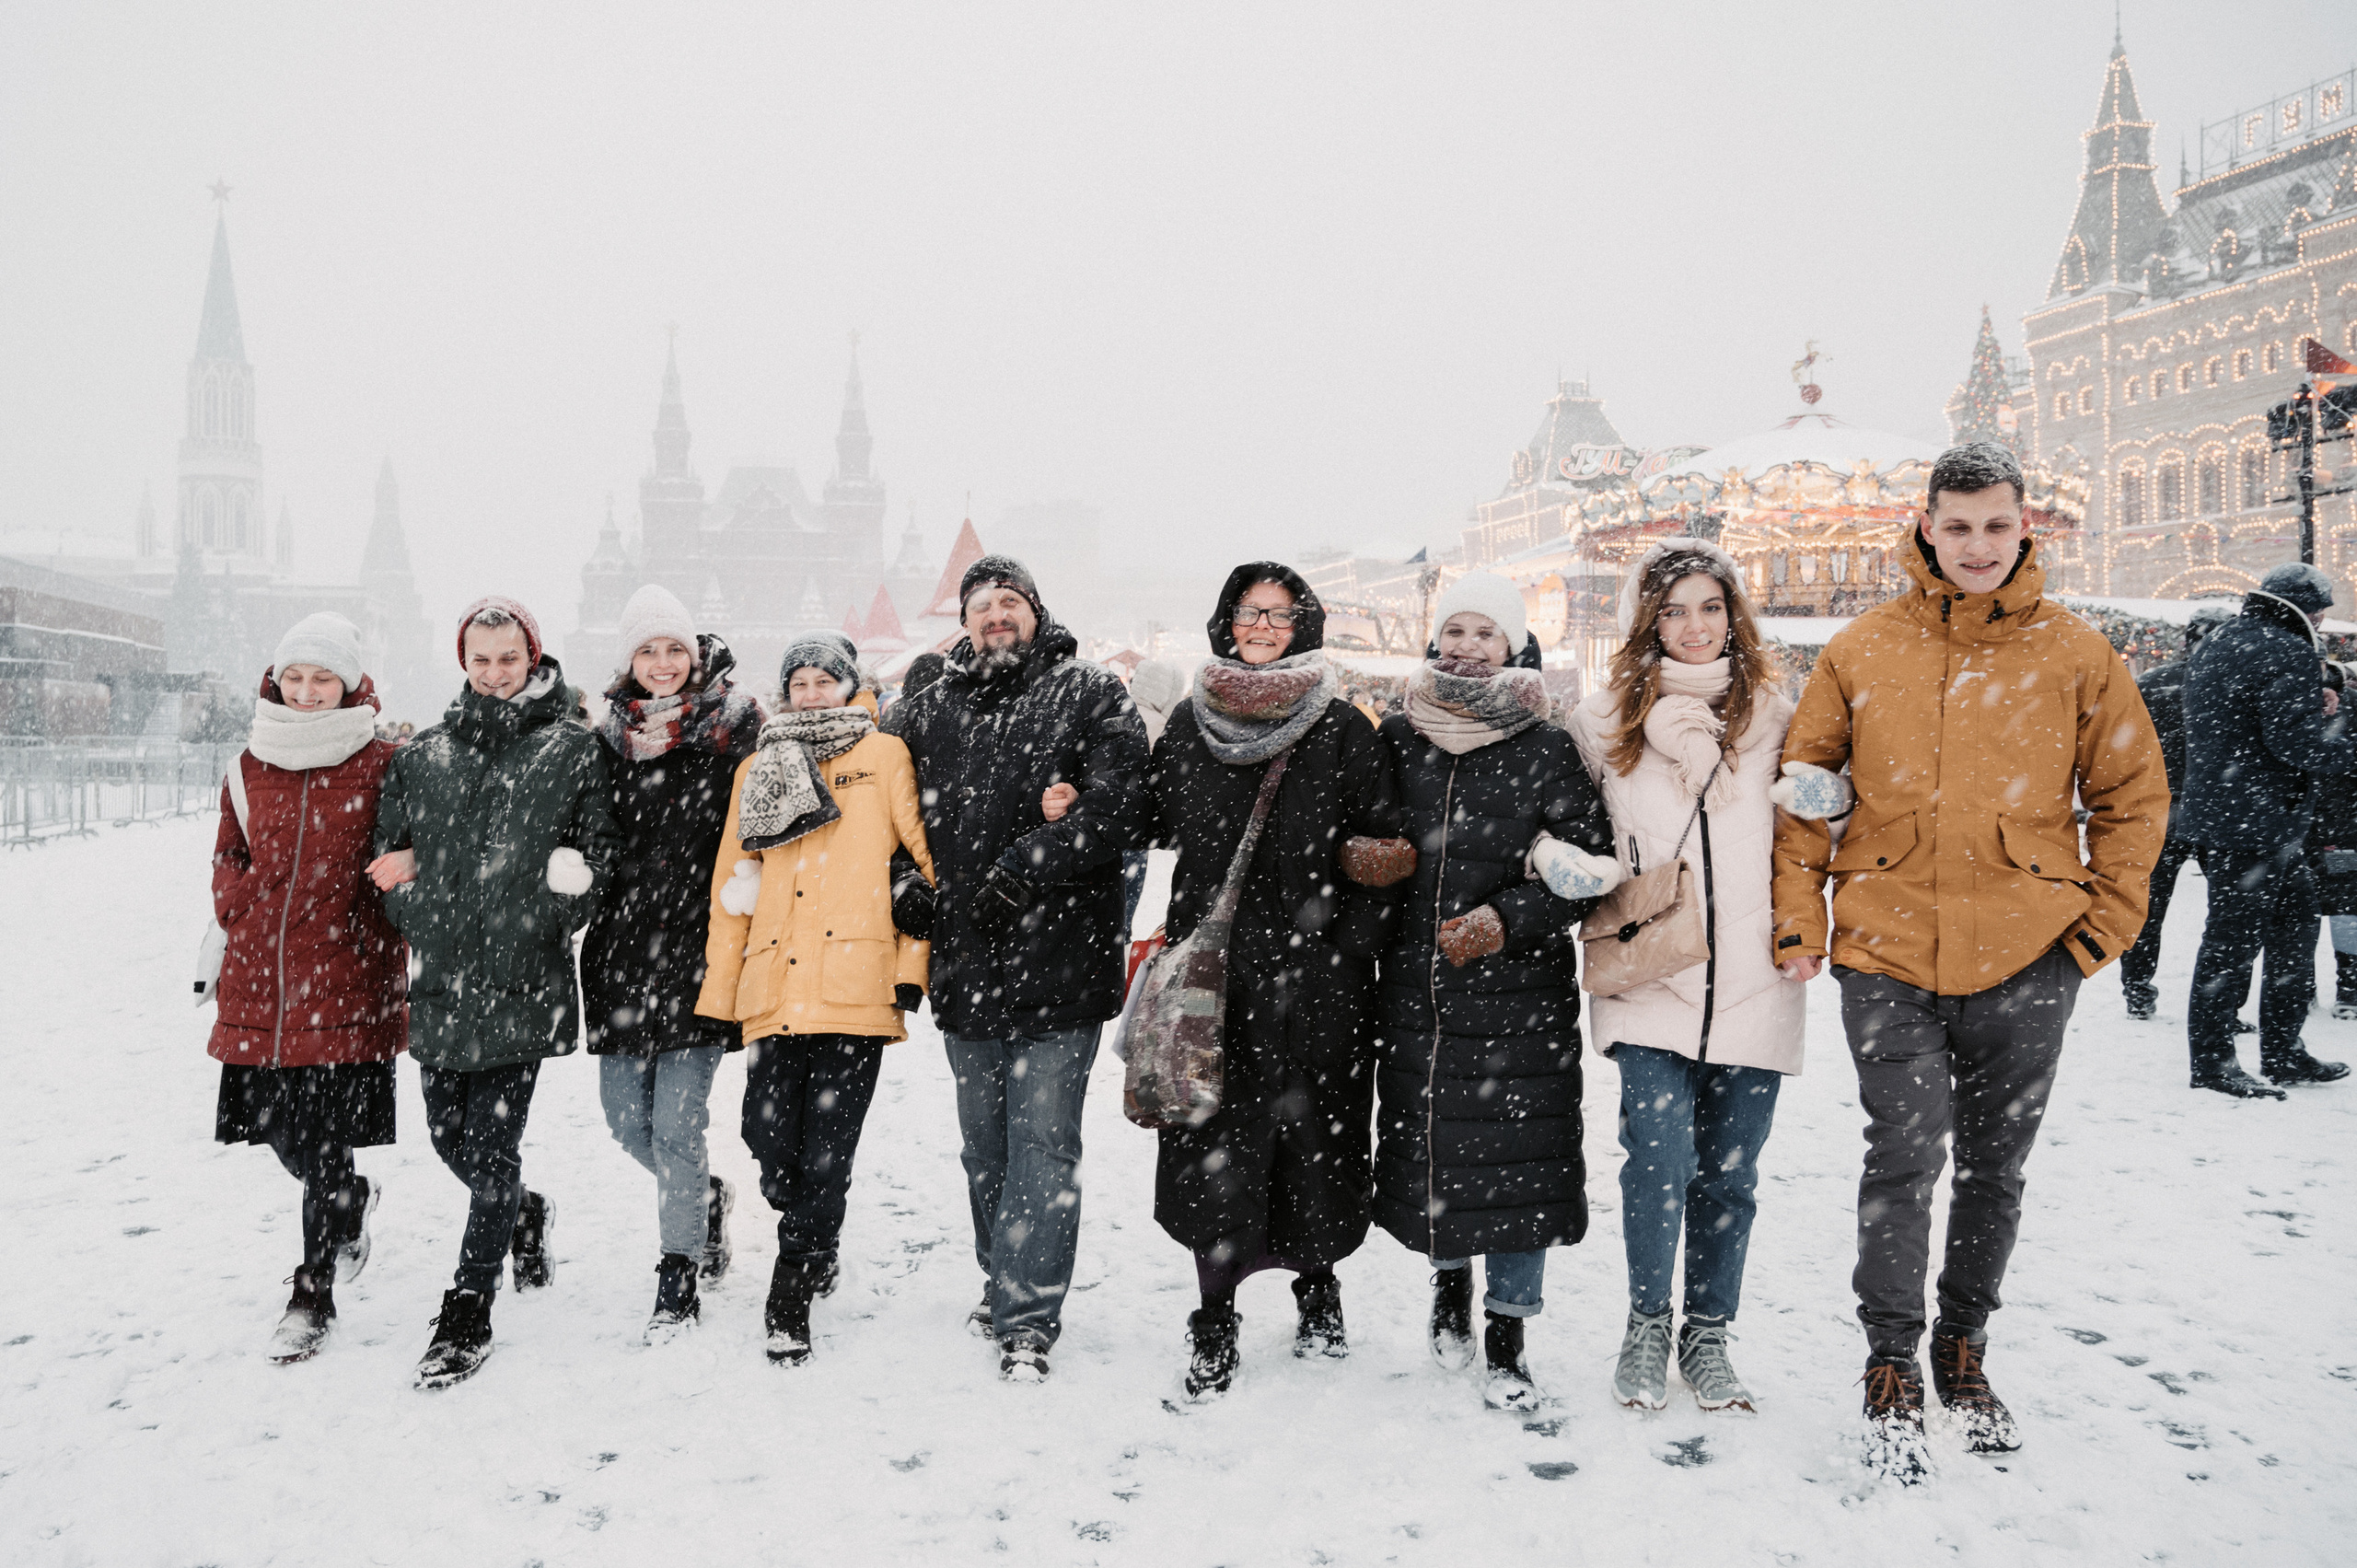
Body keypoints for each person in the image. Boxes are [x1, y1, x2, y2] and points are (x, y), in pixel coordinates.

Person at [1772, 442, 2167, 1481]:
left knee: (1995, 1167)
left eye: (1996, 525)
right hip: (1888, 946)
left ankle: (1964, 1345)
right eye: (1958, 527)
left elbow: (2132, 797)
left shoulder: (2077, 654)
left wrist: (2097, 928)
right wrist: (1803, 921)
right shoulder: (1862, 648)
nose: (1978, 546)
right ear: (1926, 526)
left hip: (2026, 953)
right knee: (1901, 1159)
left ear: (2022, 524)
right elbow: (1804, 791)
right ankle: (1890, 1357)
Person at [882, 554, 1150, 1382]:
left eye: (1010, 602)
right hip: (966, 964)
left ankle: (1028, 1311)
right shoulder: (923, 711)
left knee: (1043, 1141)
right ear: (962, 622)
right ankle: (1001, 1273)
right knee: (984, 1147)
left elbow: (1125, 806)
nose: (997, 615)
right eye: (981, 605)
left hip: (1062, 959)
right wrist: (903, 885)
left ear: (1036, 609)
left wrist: (1030, 863)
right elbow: (885, 822)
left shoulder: (1091, 692)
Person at [1148, 564, 1411, 1399]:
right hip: (1216, 984)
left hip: (1317, 982)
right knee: (1211, 1148)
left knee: (1318, 1144)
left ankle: (1317, 1282)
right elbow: (1147, 817)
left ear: (1306, 622)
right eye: (1250, 610)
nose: (1264, 623)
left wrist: (1342, 947)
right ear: (1226, 619)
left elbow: (1387, 847)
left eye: (1281, 612)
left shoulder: (1341, 727)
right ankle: (1214, 1314)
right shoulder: (1190, 725)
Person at [1566, 540, 1804, 1415]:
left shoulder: (1776, 716)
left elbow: (1812, 839)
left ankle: (1709, 1331)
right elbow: (1572, 825)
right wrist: (1571, 860)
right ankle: (1645, 1322)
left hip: (1754, 980)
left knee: (1730, 1176)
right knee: (1656, 1162)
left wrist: (1836, 808)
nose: (1693, 626)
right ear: (1647, 621)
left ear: (1732, 615)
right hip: (1651, 975)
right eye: (1673, 610)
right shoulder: (1601, 723)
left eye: (1709, 607)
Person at [1371, 571, 1618, 1411]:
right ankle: (1449, 1291)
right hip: (1421, 989)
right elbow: (1364, 828)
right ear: (1436, 639)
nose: (1470, 645)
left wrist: (1507, 920)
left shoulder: (1547, 746)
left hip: (1518, 995)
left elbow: (1587, 868)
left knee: (1519, 1170)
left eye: (1488, 632)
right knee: (1438, 1150)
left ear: (1514, 645)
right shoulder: (1400, 734)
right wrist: (1369, 859)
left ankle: (1510, 1332)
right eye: (1458, 630)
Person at [370, 598, 621, 1389]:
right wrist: (421, 910)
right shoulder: (424, 757)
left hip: (524, 984)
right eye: (480, 659)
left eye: (507, 658)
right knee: (452, 1141)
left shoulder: (572, 751)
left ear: (532, 656)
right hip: (442, 983)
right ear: (464, 662)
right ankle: (524, 1209)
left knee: (492, 1149)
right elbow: (389, 864)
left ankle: (468, 1307)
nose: (494, 672)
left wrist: (549, 910)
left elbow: (595, 858)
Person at [697, 631, 935, 1365]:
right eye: (797, 682)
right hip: (774, 982)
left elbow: (922, 865)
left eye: (822, 680)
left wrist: (911, 965)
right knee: (766, 1139)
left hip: (855, 985)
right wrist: (721, 989)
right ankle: (813, 1226)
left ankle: (792, 1286)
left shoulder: (882, 755)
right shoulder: (756, 767)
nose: (810, 692)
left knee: (827, 1151)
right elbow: (731, 888)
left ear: (847, 685)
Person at [209, 613, 406, 1364]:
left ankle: (312, 1288)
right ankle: (350, 1202)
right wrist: (241, 904)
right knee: (277, 1131)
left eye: (323, 677)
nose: (307, 690)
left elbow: (409, 845)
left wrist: (382, 907)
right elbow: (229, 851)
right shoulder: (248, 764)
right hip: (262, 976)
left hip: (346, 978)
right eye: (295, 675)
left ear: (352, 682)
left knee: (322, 1144)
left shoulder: (385, 761)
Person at [583, 585, 765, 1342]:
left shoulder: (733, 731)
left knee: (678, 1125)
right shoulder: (606, 740)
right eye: (647, 650)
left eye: (674, 648)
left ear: (694, 653)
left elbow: (765, 819)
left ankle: (678, 1271)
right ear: (628, 662)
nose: (662, 663)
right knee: (629, 1123)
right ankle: (706, 1196)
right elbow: (587, 833)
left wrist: (750, 883)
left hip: (701, 950)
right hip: (623, 955)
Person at [2180, 562, 2355, 1096]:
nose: (2324, 620)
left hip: (2233, 812)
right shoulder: (2288, 649)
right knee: (2233, 945)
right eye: (2321, 610)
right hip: (2258, 821)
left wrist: (2320, 691)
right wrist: (2344, 731)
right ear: (2303, 607)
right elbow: (2295, 744)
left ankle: (2283, 1051)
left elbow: (2251, 713)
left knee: (2293, 929)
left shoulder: (2227, 638)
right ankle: (2215, 1064)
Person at [2119, 603, 2235, 1020]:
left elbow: (2125, 745)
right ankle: (2223, 1000)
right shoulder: (2229, 683)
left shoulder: (2152, 683)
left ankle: (2136, 987)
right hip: (2217, 807)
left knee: (2148, 907)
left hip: (2160, 807)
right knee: (2228, 912)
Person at [1124, 657, 1188, 935]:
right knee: (1125, 906)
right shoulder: (1162, 727)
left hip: (1103, 829)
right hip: (1135, 831)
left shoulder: (1117, 713)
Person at [2307, 660, 2357, 1020]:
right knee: (2347, 910)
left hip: (2301, 828)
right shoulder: (2350, 709)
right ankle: (2350, 989)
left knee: (2299, 911)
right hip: (2345, 829)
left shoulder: (2294, 708)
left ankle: (2299, 987)